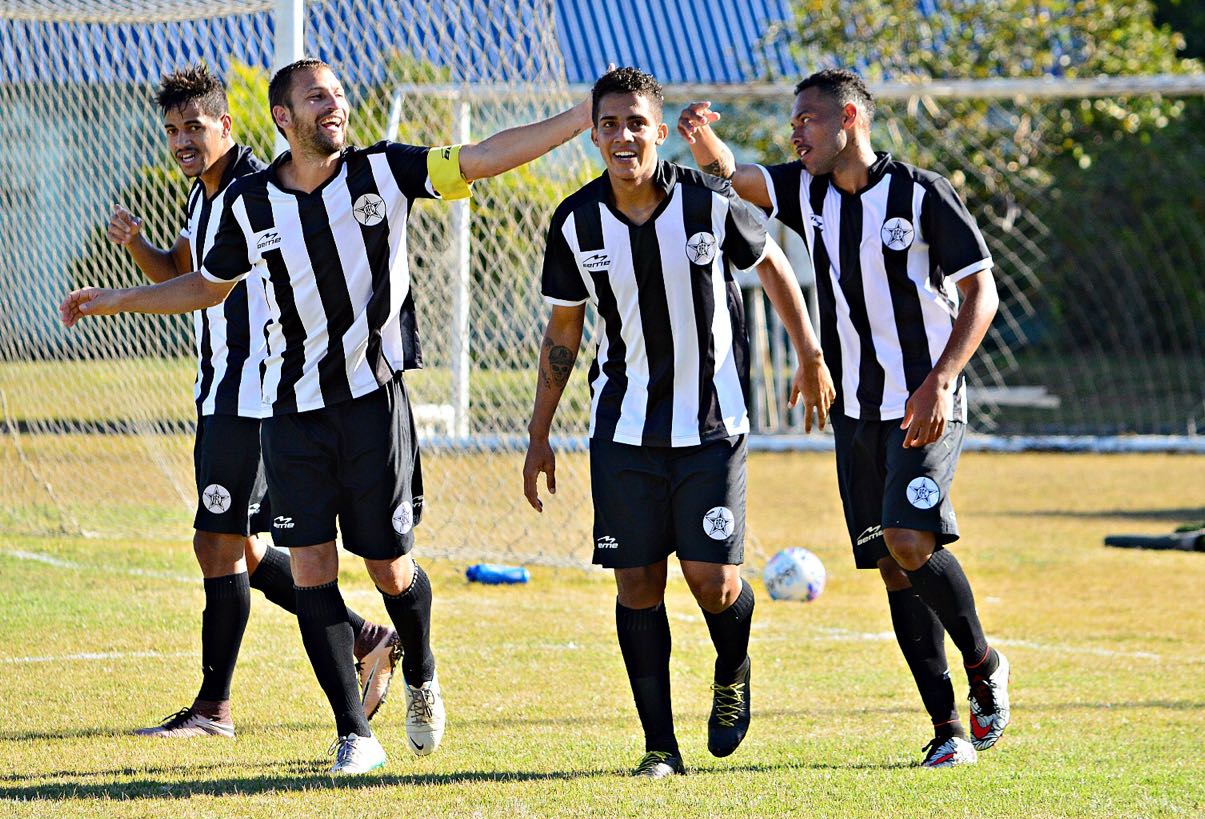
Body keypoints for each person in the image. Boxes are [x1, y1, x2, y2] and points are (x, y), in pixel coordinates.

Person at [62, 58, 594, 774]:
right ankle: (354, 734)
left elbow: (487, 155)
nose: (334, 105)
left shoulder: (386, 171)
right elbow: (206, 286)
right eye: (318, 96)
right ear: (285, 116)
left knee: (388, 567)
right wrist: (116, 299)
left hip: (372, 407)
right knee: (311, 569)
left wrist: (580, 118)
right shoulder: (250, 203)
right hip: (286, 411)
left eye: (338, 95)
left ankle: (421, 672)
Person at [677, 68, 1011, 768]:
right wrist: (704, 141)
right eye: (794, 121)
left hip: (925, 405)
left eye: (808, 119)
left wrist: (941, 380)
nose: (796, 131)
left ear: (850, 119)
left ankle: (982, 664)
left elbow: (982, 292)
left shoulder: (920, 195)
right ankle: (947, 729)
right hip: (855, 413)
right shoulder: (805, 191)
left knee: (910, 539)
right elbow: (737, 180)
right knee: (894, 567)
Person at [522, 67, 835, 778]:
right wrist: (540, 433)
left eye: (637, 122)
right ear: (594, 133)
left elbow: (775, 268)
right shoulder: (576, 220)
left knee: (713, 583)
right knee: (637, 585)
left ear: (659, 131)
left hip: (712, 427)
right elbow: (563, 332)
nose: (623, 135)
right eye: (609, 124)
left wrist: (810, 352)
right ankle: (659, 747)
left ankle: (733, 667)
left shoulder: (709, 204)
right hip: (623, 432)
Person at [107, 65, 398, 740]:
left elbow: (225, 285)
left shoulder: (251, 190)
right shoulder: (202, 193)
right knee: (234, 540)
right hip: (220, 392)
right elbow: (188, 272)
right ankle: (363, 637)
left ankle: (214, 710)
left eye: (195, 128)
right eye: (173, 130)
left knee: (216, 543)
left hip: (254, 393)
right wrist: (137, 248)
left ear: (227, 125)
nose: (182, 141)